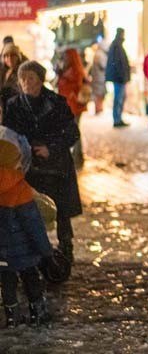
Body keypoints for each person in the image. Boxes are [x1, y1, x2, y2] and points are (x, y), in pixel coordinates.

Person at [3, 61, 82, 264]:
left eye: (31, 77)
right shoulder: (14, 105)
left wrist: (50, 148)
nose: (27, 82)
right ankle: (33, 249)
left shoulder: (57, 102)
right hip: (27, 167)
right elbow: (9, 135)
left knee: (61, 209)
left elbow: (72, 133)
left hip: (56, 165)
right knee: (28, 208)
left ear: (40, 79)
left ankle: (66, 246)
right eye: (23, 79)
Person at [0, 107, 54, 327]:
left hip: (1, 252)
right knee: (31, 279)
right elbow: (33, 224)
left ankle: (11, 316)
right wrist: (46, 251)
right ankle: (36, 311)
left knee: (7, 282)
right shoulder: (20, 189)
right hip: (25, 253)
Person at [57, 49, 89, 168]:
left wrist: (63, 78)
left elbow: (72, 86)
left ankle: (78, 158)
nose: (65, 59)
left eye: (66, 56)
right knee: (73, 131)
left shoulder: (75, 70)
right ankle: (76, 157)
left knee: (74, 132)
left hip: (74, 106)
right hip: (70, 106)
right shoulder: (68, 69)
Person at [105, 28, 131, 127]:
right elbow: (118, 64)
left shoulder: (117, 45)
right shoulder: (117, 46)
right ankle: (117, 119)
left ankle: (118, 118)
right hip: (119, 78)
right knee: (118, 98)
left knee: (120, 98)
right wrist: (122, 75)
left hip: (119, 77)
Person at [0, 44, 23, 113]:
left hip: (15, 108)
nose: (9, 58)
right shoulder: (3, 72)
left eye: (12, 55)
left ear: (18, 57)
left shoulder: (21, 72)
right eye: (6, 56)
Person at [89, 39, 109, 115]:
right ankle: (98, 109)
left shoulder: (98, 54)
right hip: (99, 78)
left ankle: (99, 108)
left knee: (99, 94)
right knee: (99, 94)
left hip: (98, 78)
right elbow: (103, 65)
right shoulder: (100, 54)